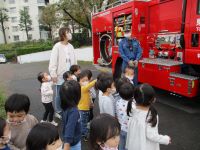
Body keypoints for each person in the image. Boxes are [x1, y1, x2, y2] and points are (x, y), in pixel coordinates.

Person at [126, 83, 171, 150]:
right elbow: (151, 135)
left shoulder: (132, 110)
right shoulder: (150, 116)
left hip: (133, 145)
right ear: (153, 100)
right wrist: (166, 139)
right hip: (145, 146)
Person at [49, 27, 77, 119]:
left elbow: (74, 60)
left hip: (69, 74)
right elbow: (53, 61)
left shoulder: (71, 46)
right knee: (59, 94)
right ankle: (58, 110)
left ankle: (67, 108)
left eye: (70, 32)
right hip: (60, 74)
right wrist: (53, 74)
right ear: (63, 35)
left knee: (69, 91)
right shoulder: (57, 46)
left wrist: (75, 71)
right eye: (68, 32)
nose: (70, 34)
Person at [60, 80, 81, 150]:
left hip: (65, 138)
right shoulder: (74, 111)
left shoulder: (65, 106)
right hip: (73, 143)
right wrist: (66, 145)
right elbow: (70, 128)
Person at [77, 70, 97, 141]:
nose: (85, 82)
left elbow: (89, 97)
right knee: (83, 123)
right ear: (79, 82)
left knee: (84, 121)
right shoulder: (82, 88)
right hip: (82, 109)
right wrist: (95, 81)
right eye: (83, 81)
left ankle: (83, 131)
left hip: (86, 108)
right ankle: (84, 134)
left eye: (86, 80)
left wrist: (91, 103)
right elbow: (88, 86)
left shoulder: (85, 89)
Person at [116, 82, 134, 150]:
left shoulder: (118, 102)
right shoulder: (133, 104)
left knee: (121, 144)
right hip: (129, 130)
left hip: (121, 127)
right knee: (128, 146)